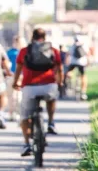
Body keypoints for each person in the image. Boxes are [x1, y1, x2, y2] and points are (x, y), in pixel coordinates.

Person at [11, 28, 63, 156]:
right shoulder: (53, 50)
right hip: (49, 86)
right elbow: (59, 68)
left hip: (29, 87)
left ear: (32, 37)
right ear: (45, 38)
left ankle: (27, 144)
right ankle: (51, 122)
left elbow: (18, 69)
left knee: (24, 116)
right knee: (51, 98)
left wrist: (15, 83)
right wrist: (59, 82)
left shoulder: (24, 51)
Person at [6, 36, 22, 121]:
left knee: (16, 96)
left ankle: (16, 113)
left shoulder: (22, 52)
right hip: (13, 75)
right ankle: (12, 113)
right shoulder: (11, 52)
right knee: (12, 96)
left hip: (18, 75)